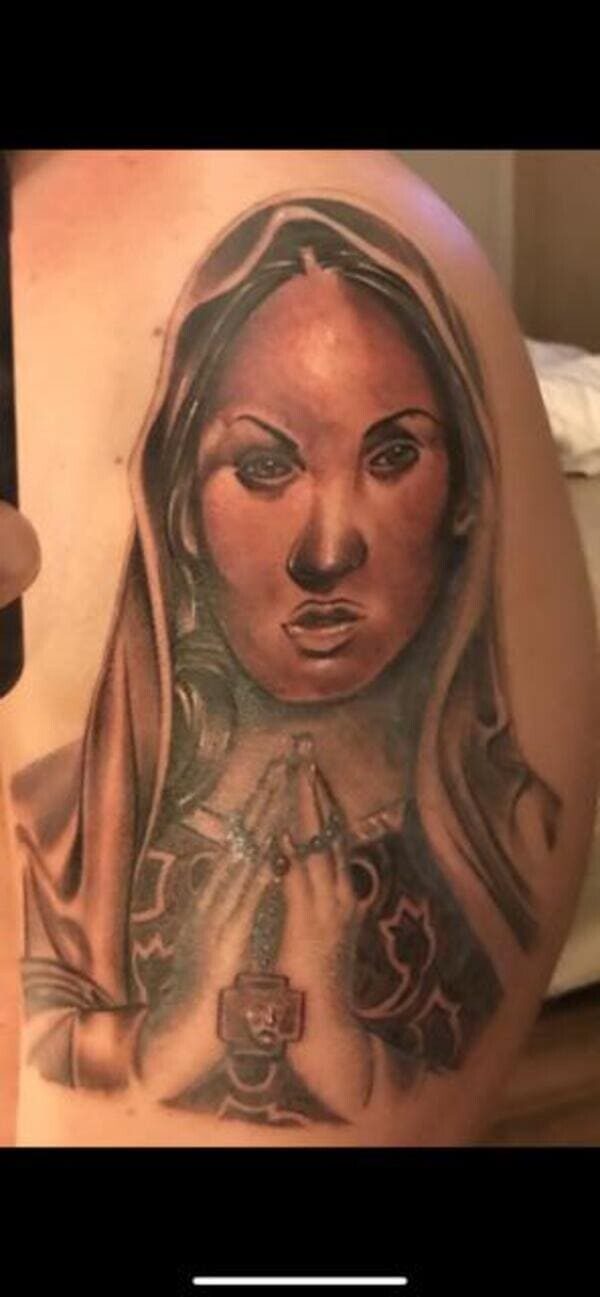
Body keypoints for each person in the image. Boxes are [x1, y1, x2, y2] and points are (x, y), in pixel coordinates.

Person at [1, 152, 598, 1145]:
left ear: (463, 498)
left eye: (394, 455)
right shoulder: (68, 821)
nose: (328, 552)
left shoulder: (497, 822)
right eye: (264, 465)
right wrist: (163, 1044)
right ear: (178, 513)